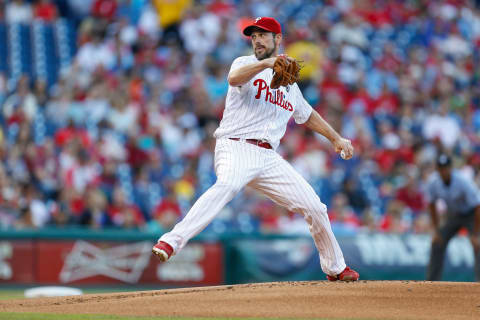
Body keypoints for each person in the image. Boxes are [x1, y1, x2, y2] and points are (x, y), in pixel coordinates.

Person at [152, 17, 359, 281]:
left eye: (264, 35)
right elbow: (233, 78)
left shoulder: (290, 86)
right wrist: (266, 63)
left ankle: (336, 268)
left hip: (268, 157)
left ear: (278, 39)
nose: (257, 40)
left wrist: (336, 138)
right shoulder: (245, 63)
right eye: (254, 36)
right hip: (235, 145)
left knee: (315, 207)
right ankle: (171, 241)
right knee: (227, 185)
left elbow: (306, 115)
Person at [426, 154, 480, 281]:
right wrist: (436, 229)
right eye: (440, 168)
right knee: (437, 241)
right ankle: (432, 283)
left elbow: (478, 206)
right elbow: (431, 205)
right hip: (453, 215)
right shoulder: (433, 182)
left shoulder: (463, 181)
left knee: (478, 244)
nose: (443, 171)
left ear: (451, 168)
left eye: (445, 167)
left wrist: (476, 234)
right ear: (437, 169)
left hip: (471, 215)